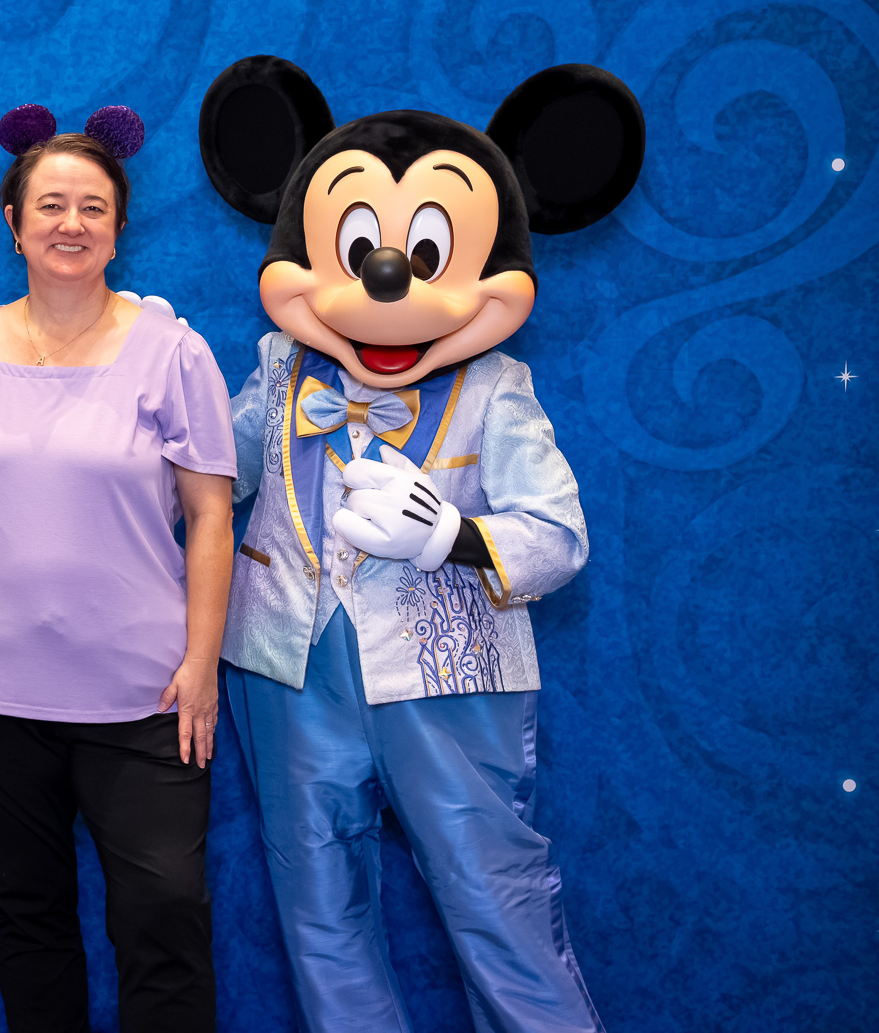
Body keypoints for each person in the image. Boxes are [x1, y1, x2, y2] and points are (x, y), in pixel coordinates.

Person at [197, 54, 639, 1031]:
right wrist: (146, 385)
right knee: (318, 908)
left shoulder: (495, 389)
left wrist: (451, 534)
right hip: (287, 668)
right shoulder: (281, 367)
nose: (385, 279)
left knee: (493, 899)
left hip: (449, 679)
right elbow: (207, 475)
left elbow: (559, 538)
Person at [0, 104, 238, 1033]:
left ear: (120, 228)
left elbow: (211, 516)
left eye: (92, 207)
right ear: (14, 223)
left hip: (146, 696)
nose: (70, 223)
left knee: (165, 917)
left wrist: (203, 664)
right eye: (50, 205)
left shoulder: (175, 353)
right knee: (27, 922)